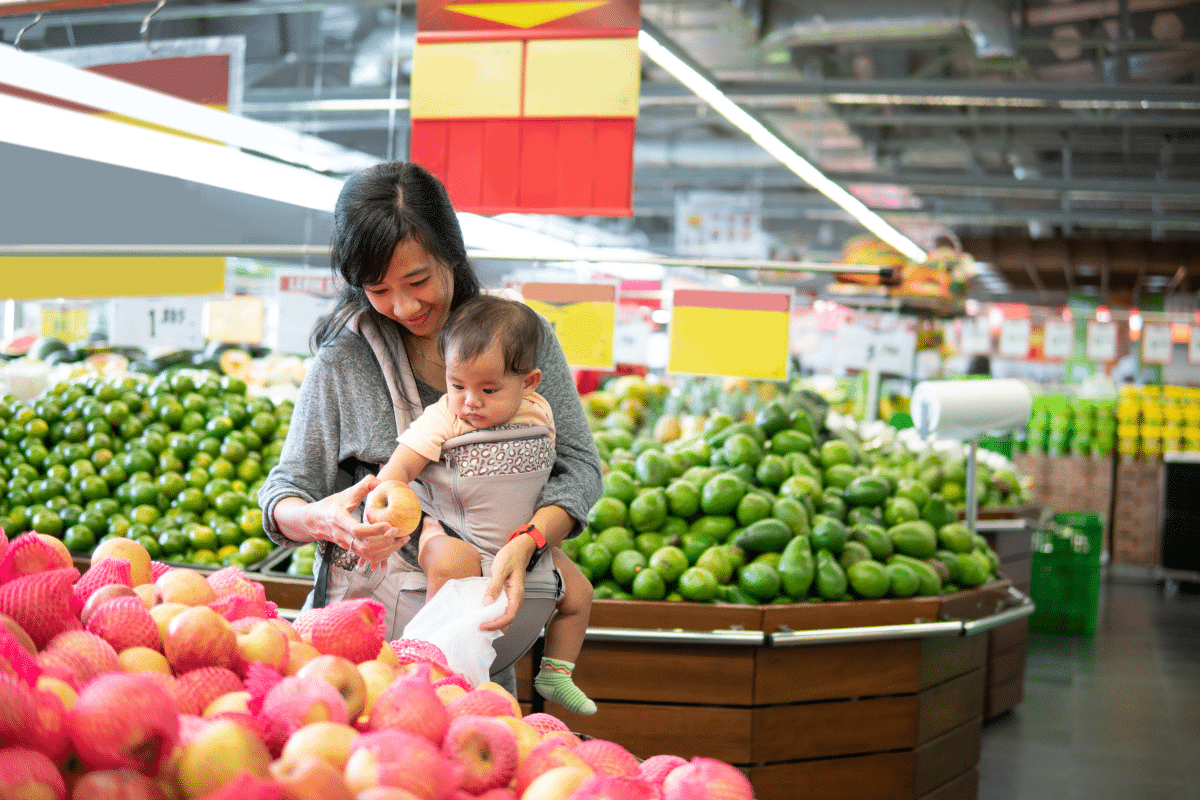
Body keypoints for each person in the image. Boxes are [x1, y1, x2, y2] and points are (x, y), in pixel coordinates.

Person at [258, 161, 604, 693]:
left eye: (418, 280)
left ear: (451, 250)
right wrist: (319, 519)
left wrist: (528, 541)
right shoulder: (345, 359)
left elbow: (579, 467)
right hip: (361, 655)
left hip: (481, 649)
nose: (404, 305)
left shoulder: (520, 339)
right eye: (378, 288)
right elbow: (285, 491)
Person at [374, 292, 596, 714]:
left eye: (488, 389)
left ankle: (556, 671)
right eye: (457, 385)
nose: (470, 401)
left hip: (521, 540)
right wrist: (388, 498)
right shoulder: (445, 417)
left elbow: (572, 469)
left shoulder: (538, 411)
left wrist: (538, 536)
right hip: (458, 533)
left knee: (579, 594)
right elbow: (396, 470)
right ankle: (433, 660)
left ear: (528, 383)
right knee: (451, 569)